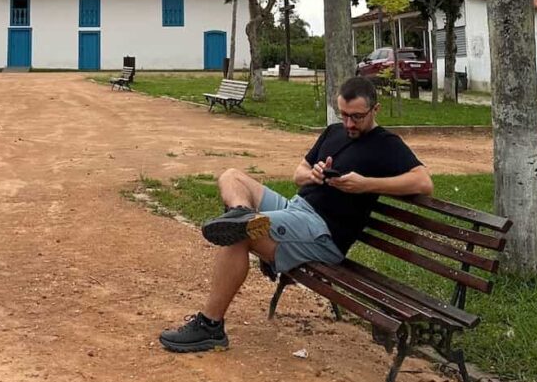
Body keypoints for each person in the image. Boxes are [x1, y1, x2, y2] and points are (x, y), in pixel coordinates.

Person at [159, 75, 433, 353]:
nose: (349, 123)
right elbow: (298, 173)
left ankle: (210, 326)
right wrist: (311, 175)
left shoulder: (386, 144)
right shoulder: (334, 132)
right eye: (345, 115)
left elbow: (424, 182)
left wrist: (366, 184)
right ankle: (241, 212)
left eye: (358, 117)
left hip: (322, 233)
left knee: (241, 233)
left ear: (376, 110)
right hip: (295, 209)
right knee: (232, 177)